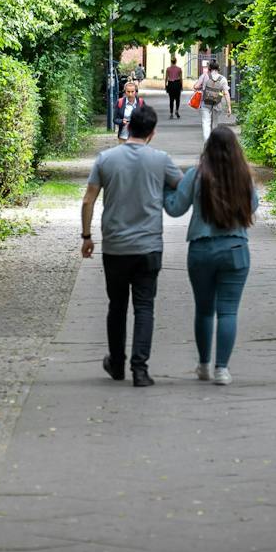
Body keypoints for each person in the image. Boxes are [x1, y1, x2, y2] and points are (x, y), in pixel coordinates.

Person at [81, 101, 181, 387]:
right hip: (149, 246)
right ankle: (140, 369)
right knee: (145, 306)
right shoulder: (160, 160)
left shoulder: (105, 159)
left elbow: (89, 199)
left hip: (115, 247)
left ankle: (116, 363)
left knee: (117, 305)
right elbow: (182, 186)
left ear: (128, 126)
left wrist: (86, 237)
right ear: (153, 132)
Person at [163, 125, 257, 385]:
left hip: (202, 250)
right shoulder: (243, 177)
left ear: (208, 148)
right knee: (228, 312)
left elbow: (174, 208)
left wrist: (165, 188)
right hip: (236, 250)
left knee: (204, 310)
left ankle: (204, 365)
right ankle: (222, 370)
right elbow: (253, 205)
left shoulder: (196, 176)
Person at [193, 60, 232, 141]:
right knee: (214, 124)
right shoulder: (223, 79)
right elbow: (226, 93)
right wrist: (229, 107)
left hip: (205, 103)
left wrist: (201, 87)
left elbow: (196, 86)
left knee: (206, 123)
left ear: (209, 68)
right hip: (217, 104)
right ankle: (214, 144)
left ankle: (207, 143)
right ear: (218, 68)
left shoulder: (204, 76)